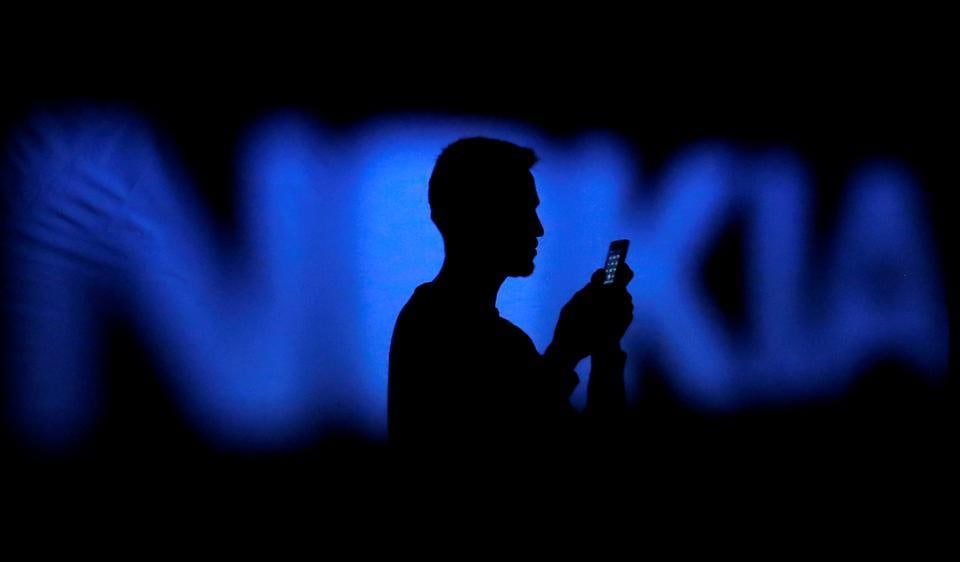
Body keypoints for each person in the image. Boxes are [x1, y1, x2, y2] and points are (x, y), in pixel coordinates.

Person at [387, 137, 633, 459]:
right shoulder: (480, 339)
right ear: (479, 215)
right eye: (523, 209)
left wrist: (600, 347)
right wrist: (571, 350)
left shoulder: (422, 317)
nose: (538, 228)